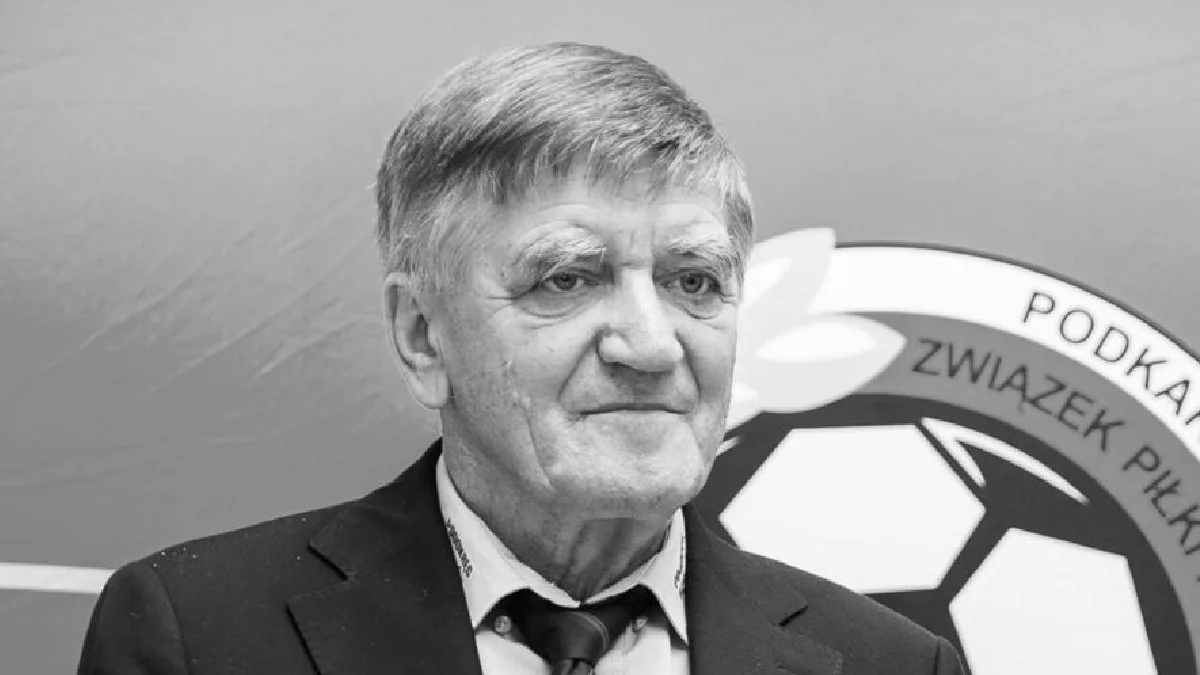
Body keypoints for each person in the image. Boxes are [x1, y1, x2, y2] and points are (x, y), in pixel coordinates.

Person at [77, 42, 965, 675]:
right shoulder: (198, 637)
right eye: (568, 278)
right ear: (422, 334)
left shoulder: (892, 663)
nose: (652, 345)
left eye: (694, 280)